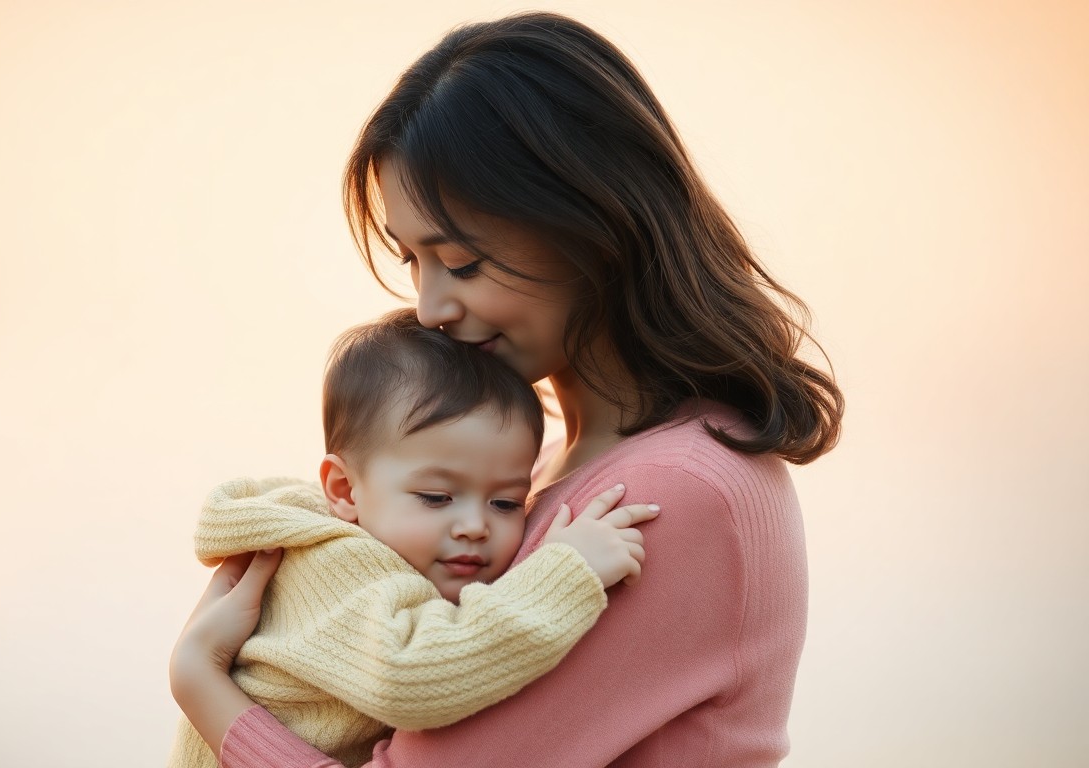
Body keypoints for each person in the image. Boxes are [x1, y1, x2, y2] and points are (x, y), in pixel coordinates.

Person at [170, 10, 845, 767]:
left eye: (459, 262)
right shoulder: (541, 469)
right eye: (412, 263)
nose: (430, 308)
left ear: (592, 223)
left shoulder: (663, 499)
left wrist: (205, 690)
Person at [168, 309, 658, 768]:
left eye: (507, 503)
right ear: (344, 490)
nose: (474, 525)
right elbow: (412, 677)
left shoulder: (386, 548)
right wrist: (563, 576)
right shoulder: (335, 563)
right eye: (436, 497)